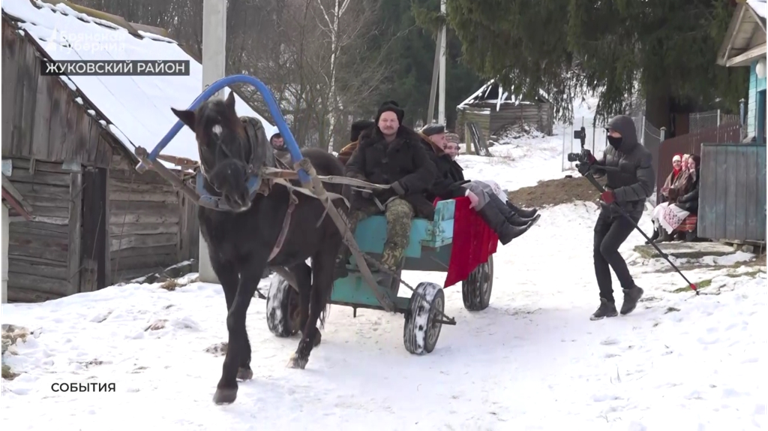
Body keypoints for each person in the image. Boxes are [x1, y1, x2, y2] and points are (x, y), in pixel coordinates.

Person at [335, 101, 437, 283]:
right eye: (384, 120)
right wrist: (363, 184)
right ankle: (338, 259)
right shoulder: (366, 142)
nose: (388, 124)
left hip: (401, 195)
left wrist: (404, 185)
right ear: (378, 122)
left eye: (392, 120)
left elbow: (428, 171)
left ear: (399, 123)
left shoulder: (413, 143)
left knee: (399, 215)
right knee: (345, 214)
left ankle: (388, 266)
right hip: (369, 195)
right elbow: (351, 168)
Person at [577, 115, 655, 320]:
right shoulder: (611, 150)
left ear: (625, 133)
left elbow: (646, 187)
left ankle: (631, 289)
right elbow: (604, 169)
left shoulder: (642, 155)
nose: (610, 136)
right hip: (608, 208)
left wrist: (617, 195)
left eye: (613, 132)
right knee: (598, 251)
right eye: (608, 132)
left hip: (629, 210)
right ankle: (607, 303)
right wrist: (591, 164)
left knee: (607, 248)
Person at [418, 124, 538, 244]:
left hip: (444, 191)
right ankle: (505, 230)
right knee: (474, 187)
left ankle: (513, 218)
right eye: (442, 138)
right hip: (432, 198)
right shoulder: (426, 156)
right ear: (432, 138)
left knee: (483, 185)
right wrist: (464, 191)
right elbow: (436, 185)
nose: (445, 141)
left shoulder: (433, 153)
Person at [441, 131, 539, 219]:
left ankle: (513, 211)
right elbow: (451, 184)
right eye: (449, 148)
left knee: (492, 184)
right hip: (454, 196)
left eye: (456, 148)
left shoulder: (453, 164)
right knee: (486, 186)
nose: (453, 151)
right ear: (443, 148)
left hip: (461, 192)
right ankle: (512, 214)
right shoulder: (442, 163)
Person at [648, 153, 692, 243]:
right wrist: (666, 192)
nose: (678, 163)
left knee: (665, 210)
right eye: (675, 162)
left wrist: (670, 192)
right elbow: (672, 187)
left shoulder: (686, 174)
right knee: (657, 209)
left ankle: (666, 235)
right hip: (674, 199)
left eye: (680, 161)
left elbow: (681, 189)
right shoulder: (676, 174)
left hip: (681, 201)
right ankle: (658, 233)